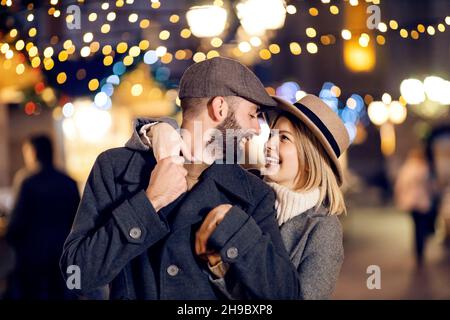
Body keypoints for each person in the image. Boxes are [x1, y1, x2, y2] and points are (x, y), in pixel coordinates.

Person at [60, 57, 302, 299]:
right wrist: (149, 202)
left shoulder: (253, 193)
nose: (258, 129)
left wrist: (236, 230)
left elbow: (287, 294)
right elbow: (77, 275)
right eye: (252, 114)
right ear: (220, 108)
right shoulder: (116, 168)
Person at [132, 94, 349, 299]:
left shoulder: (323, 229)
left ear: (311, 160)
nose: (268, 145)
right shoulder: (242, 189)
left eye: (284, 139)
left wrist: (221, 269)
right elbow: (196, 144)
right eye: (271, 135)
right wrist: (158, 128)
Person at [5, 134, 80, 299]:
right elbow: (79, 221)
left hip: (32, 254)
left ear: (32, 153)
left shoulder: (27, 181)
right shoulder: (68, 182)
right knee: (63, 294)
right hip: (63, 252)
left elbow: (17, 220)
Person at [395, 147, 439, 266]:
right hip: (423, 202)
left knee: (415, 226)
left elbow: (399, 186)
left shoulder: (406, 169)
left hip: (410, 202)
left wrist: (400, 199)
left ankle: (417, 250)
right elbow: (432, 186)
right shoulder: (425, 169)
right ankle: (421, 249)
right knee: (421, 226)